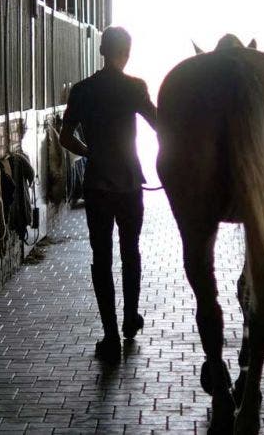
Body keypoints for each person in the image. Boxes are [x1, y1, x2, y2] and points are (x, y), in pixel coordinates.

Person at [60, 26, 156, 364]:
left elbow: (65, 138)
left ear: (101, 50)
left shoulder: (83, 90)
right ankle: (131, 318)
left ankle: (111, 334)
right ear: (126, 51)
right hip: (130, 183)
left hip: (98, 184)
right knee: (131, 251)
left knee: (101, 258)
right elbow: (159, 125)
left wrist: (90, 152)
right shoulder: (134, 87)